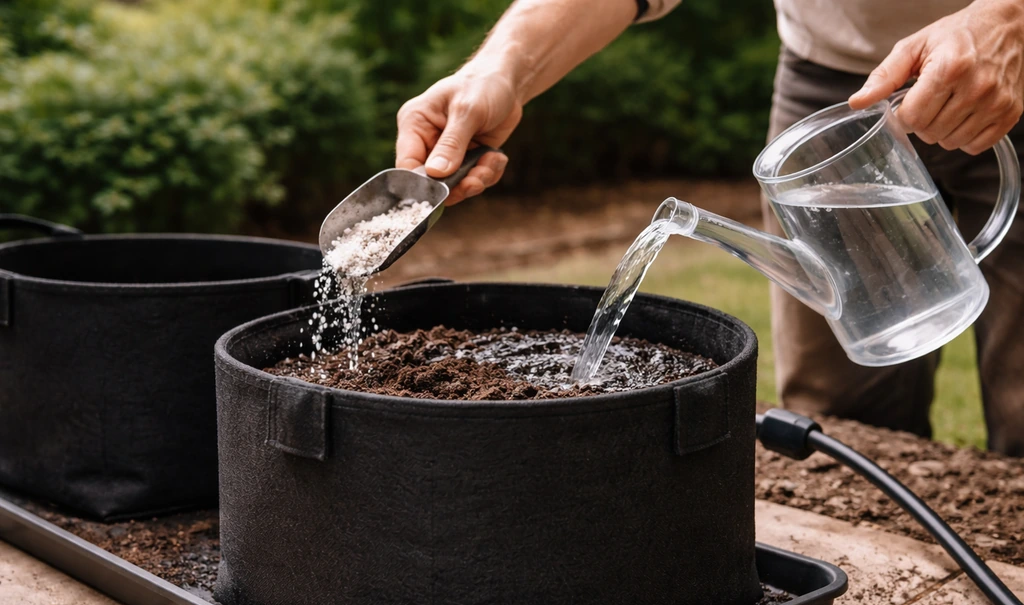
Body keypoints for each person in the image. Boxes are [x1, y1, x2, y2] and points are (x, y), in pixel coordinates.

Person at [395, 0, 1024, 456]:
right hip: (840, 84)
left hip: (1007, 47)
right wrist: (499, 70)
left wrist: (1006, 18)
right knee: (844, 419)